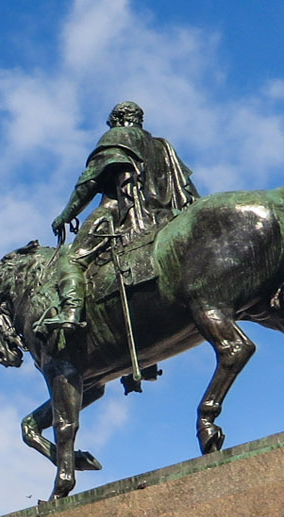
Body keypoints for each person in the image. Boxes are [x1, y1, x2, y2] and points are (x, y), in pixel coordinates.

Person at [38, 102, 200, 339]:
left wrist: (66, 215)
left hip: (121, 213)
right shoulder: (163, 146)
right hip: (166, 218)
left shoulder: (117, 136)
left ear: (117, 120)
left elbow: (90, 182)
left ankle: (71, 312)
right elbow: (186, 189)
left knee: (71, 259)